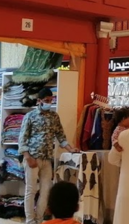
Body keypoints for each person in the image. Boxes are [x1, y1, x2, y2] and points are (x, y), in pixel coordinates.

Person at [18, 87, 78, 224]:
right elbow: (22, 139)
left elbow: (61, 136)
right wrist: (27, 157)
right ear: (39, 101)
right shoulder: (30, 116)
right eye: (46, 100)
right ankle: (30, 220)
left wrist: (70, 149)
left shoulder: (54, 116)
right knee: (31, 190)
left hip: (47, 159)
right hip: (32, 157)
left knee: (46, 191)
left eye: (51, 100)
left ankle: (39, 219)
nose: (49, 103)